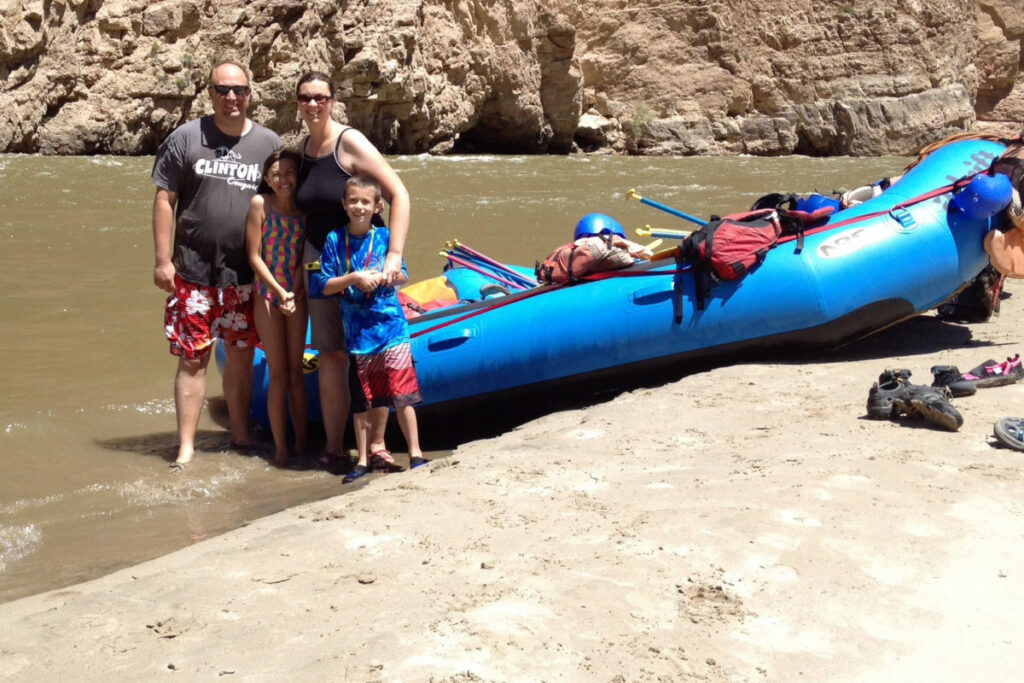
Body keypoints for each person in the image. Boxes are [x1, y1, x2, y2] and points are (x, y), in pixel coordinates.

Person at [152, 60, 283, 470]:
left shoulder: (268, 143)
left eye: (239, 90)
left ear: (250, 93)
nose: (231, 98)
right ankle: (186, 447)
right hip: (191, 273)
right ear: (209, 93)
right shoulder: (186, 138)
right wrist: (161, 261)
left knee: (242, 355)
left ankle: (240, 433)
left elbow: (285, 202)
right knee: (192, 359)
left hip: (245, 276)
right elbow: (164, 200)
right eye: (222, 90)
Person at [293, 71, 411, 466]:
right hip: (324, 269)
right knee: (331, 355)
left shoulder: (350, 142)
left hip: (367, 266)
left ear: (332, 100)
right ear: (298, 103)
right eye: (305, 98)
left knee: (372, 353)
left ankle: (376, 445)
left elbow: (398, 193)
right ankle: (333, 445)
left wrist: (394, 255)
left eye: (320, 98)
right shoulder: (303, 150)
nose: (313, 105)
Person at [308, 176, 426, 483]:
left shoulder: (387, 238)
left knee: (404, 395)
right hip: (358, 338)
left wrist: (389, 275)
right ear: (344, 205)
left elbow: (403, 273)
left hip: (391, 330)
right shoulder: (335, 240)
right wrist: (354, 279)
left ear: (378, 206)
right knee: (362, 401)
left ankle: (415, 454)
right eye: (353, 201)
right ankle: (361, 459)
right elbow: (321, 284)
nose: (359, 207)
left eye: (365, 202)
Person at [244, 149, 308, 467]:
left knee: (297, 373)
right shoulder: (261, 205)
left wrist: (293, 292)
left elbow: (301, 258)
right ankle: (281, 449)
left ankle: (302, 443)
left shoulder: (303, 212)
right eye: (277, 175)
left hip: (295, 295)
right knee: (278, 372)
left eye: (289, 173)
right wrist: (280, 291)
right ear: (267, 179)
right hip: (267, 294)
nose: (284, 180)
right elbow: (254, 257)